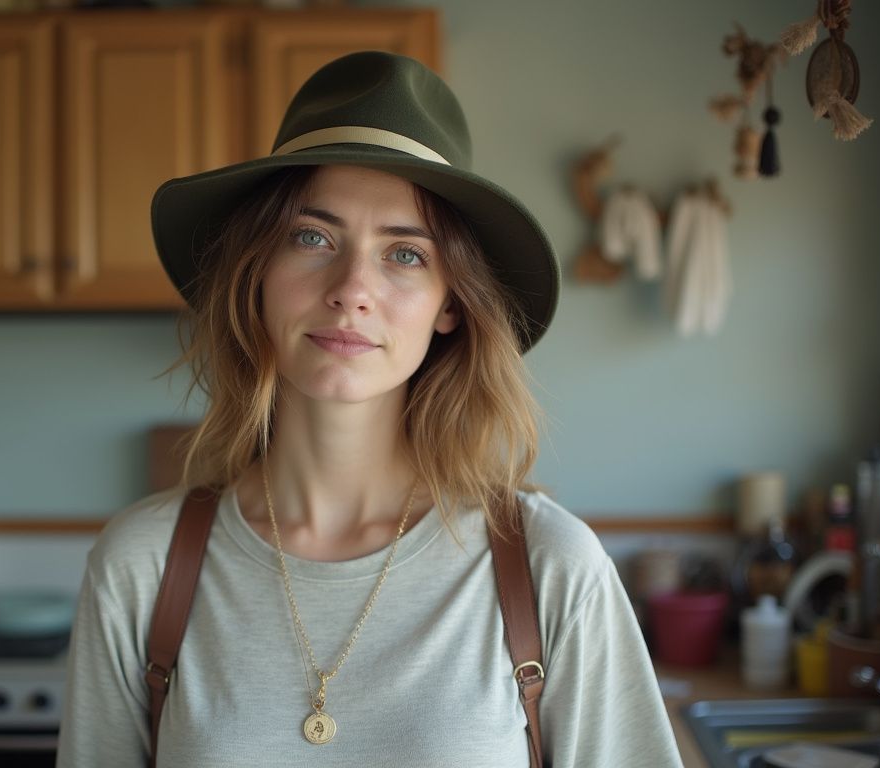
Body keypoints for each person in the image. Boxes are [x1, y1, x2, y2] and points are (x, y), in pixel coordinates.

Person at [57, 51, 681, 767]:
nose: (352, 288)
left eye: (405, 253)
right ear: (256, 275)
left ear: (451, 304)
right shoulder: (141, 567)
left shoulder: (551, 567)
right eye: (312, 237)